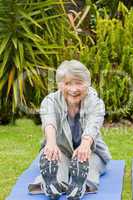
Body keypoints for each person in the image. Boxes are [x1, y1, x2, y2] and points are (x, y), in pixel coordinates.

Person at [28, 60, 111, 200]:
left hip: (90, 151)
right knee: (58, 166)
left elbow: (93, 125)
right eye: (67, 84)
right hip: (59, 149)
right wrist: (51, 143)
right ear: (60, 85)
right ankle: (52, 184)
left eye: (78, 83)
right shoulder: (50, 101)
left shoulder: (96, 103)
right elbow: (49, 121)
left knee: (90, 168)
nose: (73, 89)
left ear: (88, 83)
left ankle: (79, 186)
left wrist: (85, 146)